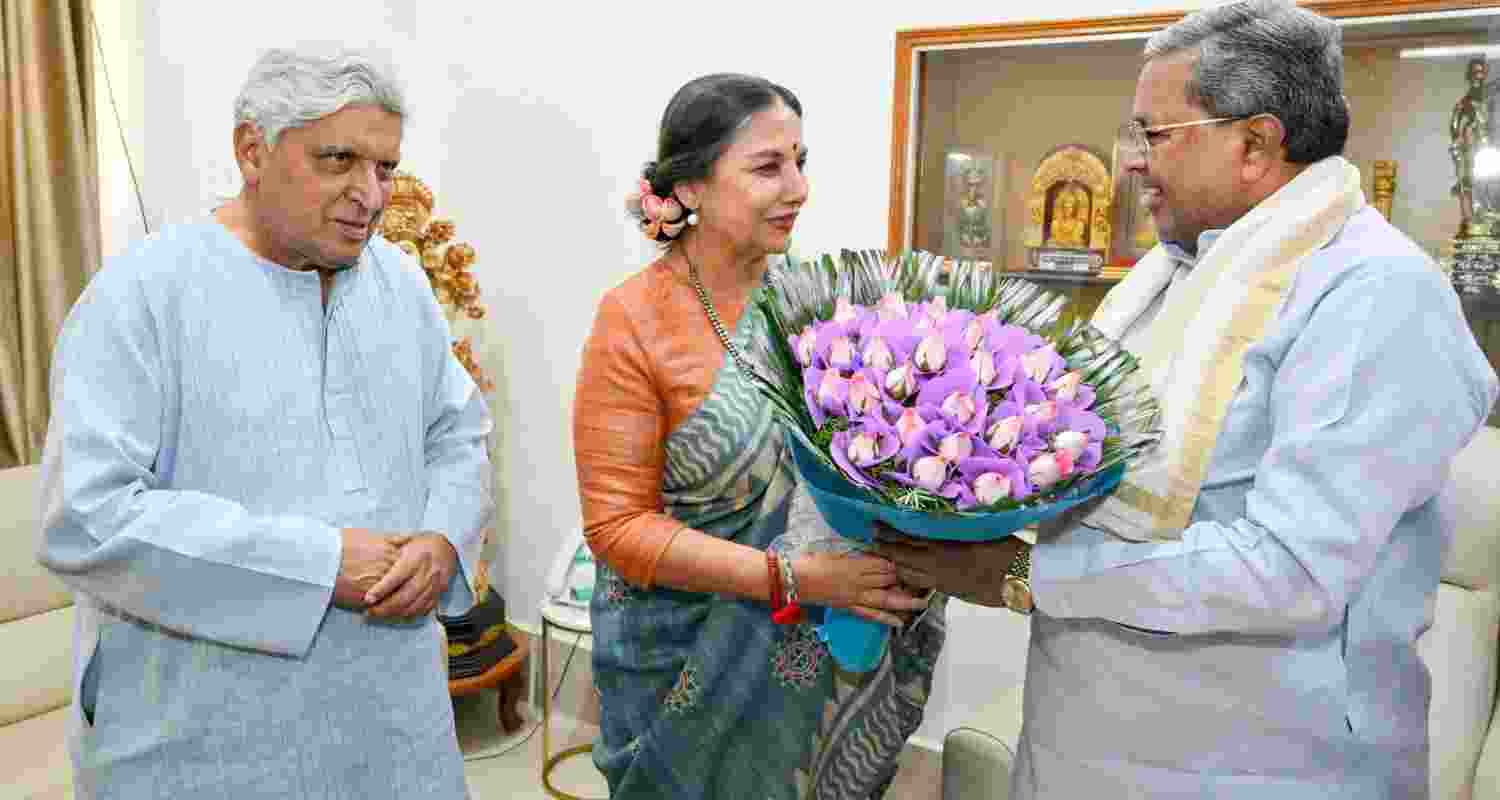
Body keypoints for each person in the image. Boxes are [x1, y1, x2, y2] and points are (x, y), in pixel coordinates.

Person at [876, 2, 1500, 797]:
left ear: (1255, 143)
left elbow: (1291, 569)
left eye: (1154, 134)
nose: (1132, 162)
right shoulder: (1174, 275)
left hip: (1254, 766)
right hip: (1090, 744)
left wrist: (1027, 575)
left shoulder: (1375, 295)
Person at [38, 46, 492, 799]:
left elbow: (458, 431)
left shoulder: (400, 285)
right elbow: (85, 517)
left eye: (385, 168)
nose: (370, 195)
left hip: (390, 723)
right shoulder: (145, 294)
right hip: (202, 734)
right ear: (253, 150)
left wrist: (444, 536)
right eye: (338, 159)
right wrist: (318, 564)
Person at [572, 73, 936, 800]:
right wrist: (788, 577)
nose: (797, 187)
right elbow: (616, 527)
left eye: (802, 161)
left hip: (819, 651)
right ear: (693, 187)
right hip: (681, 662)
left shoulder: (818, 301)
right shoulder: (634, 321)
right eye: (769, 167)